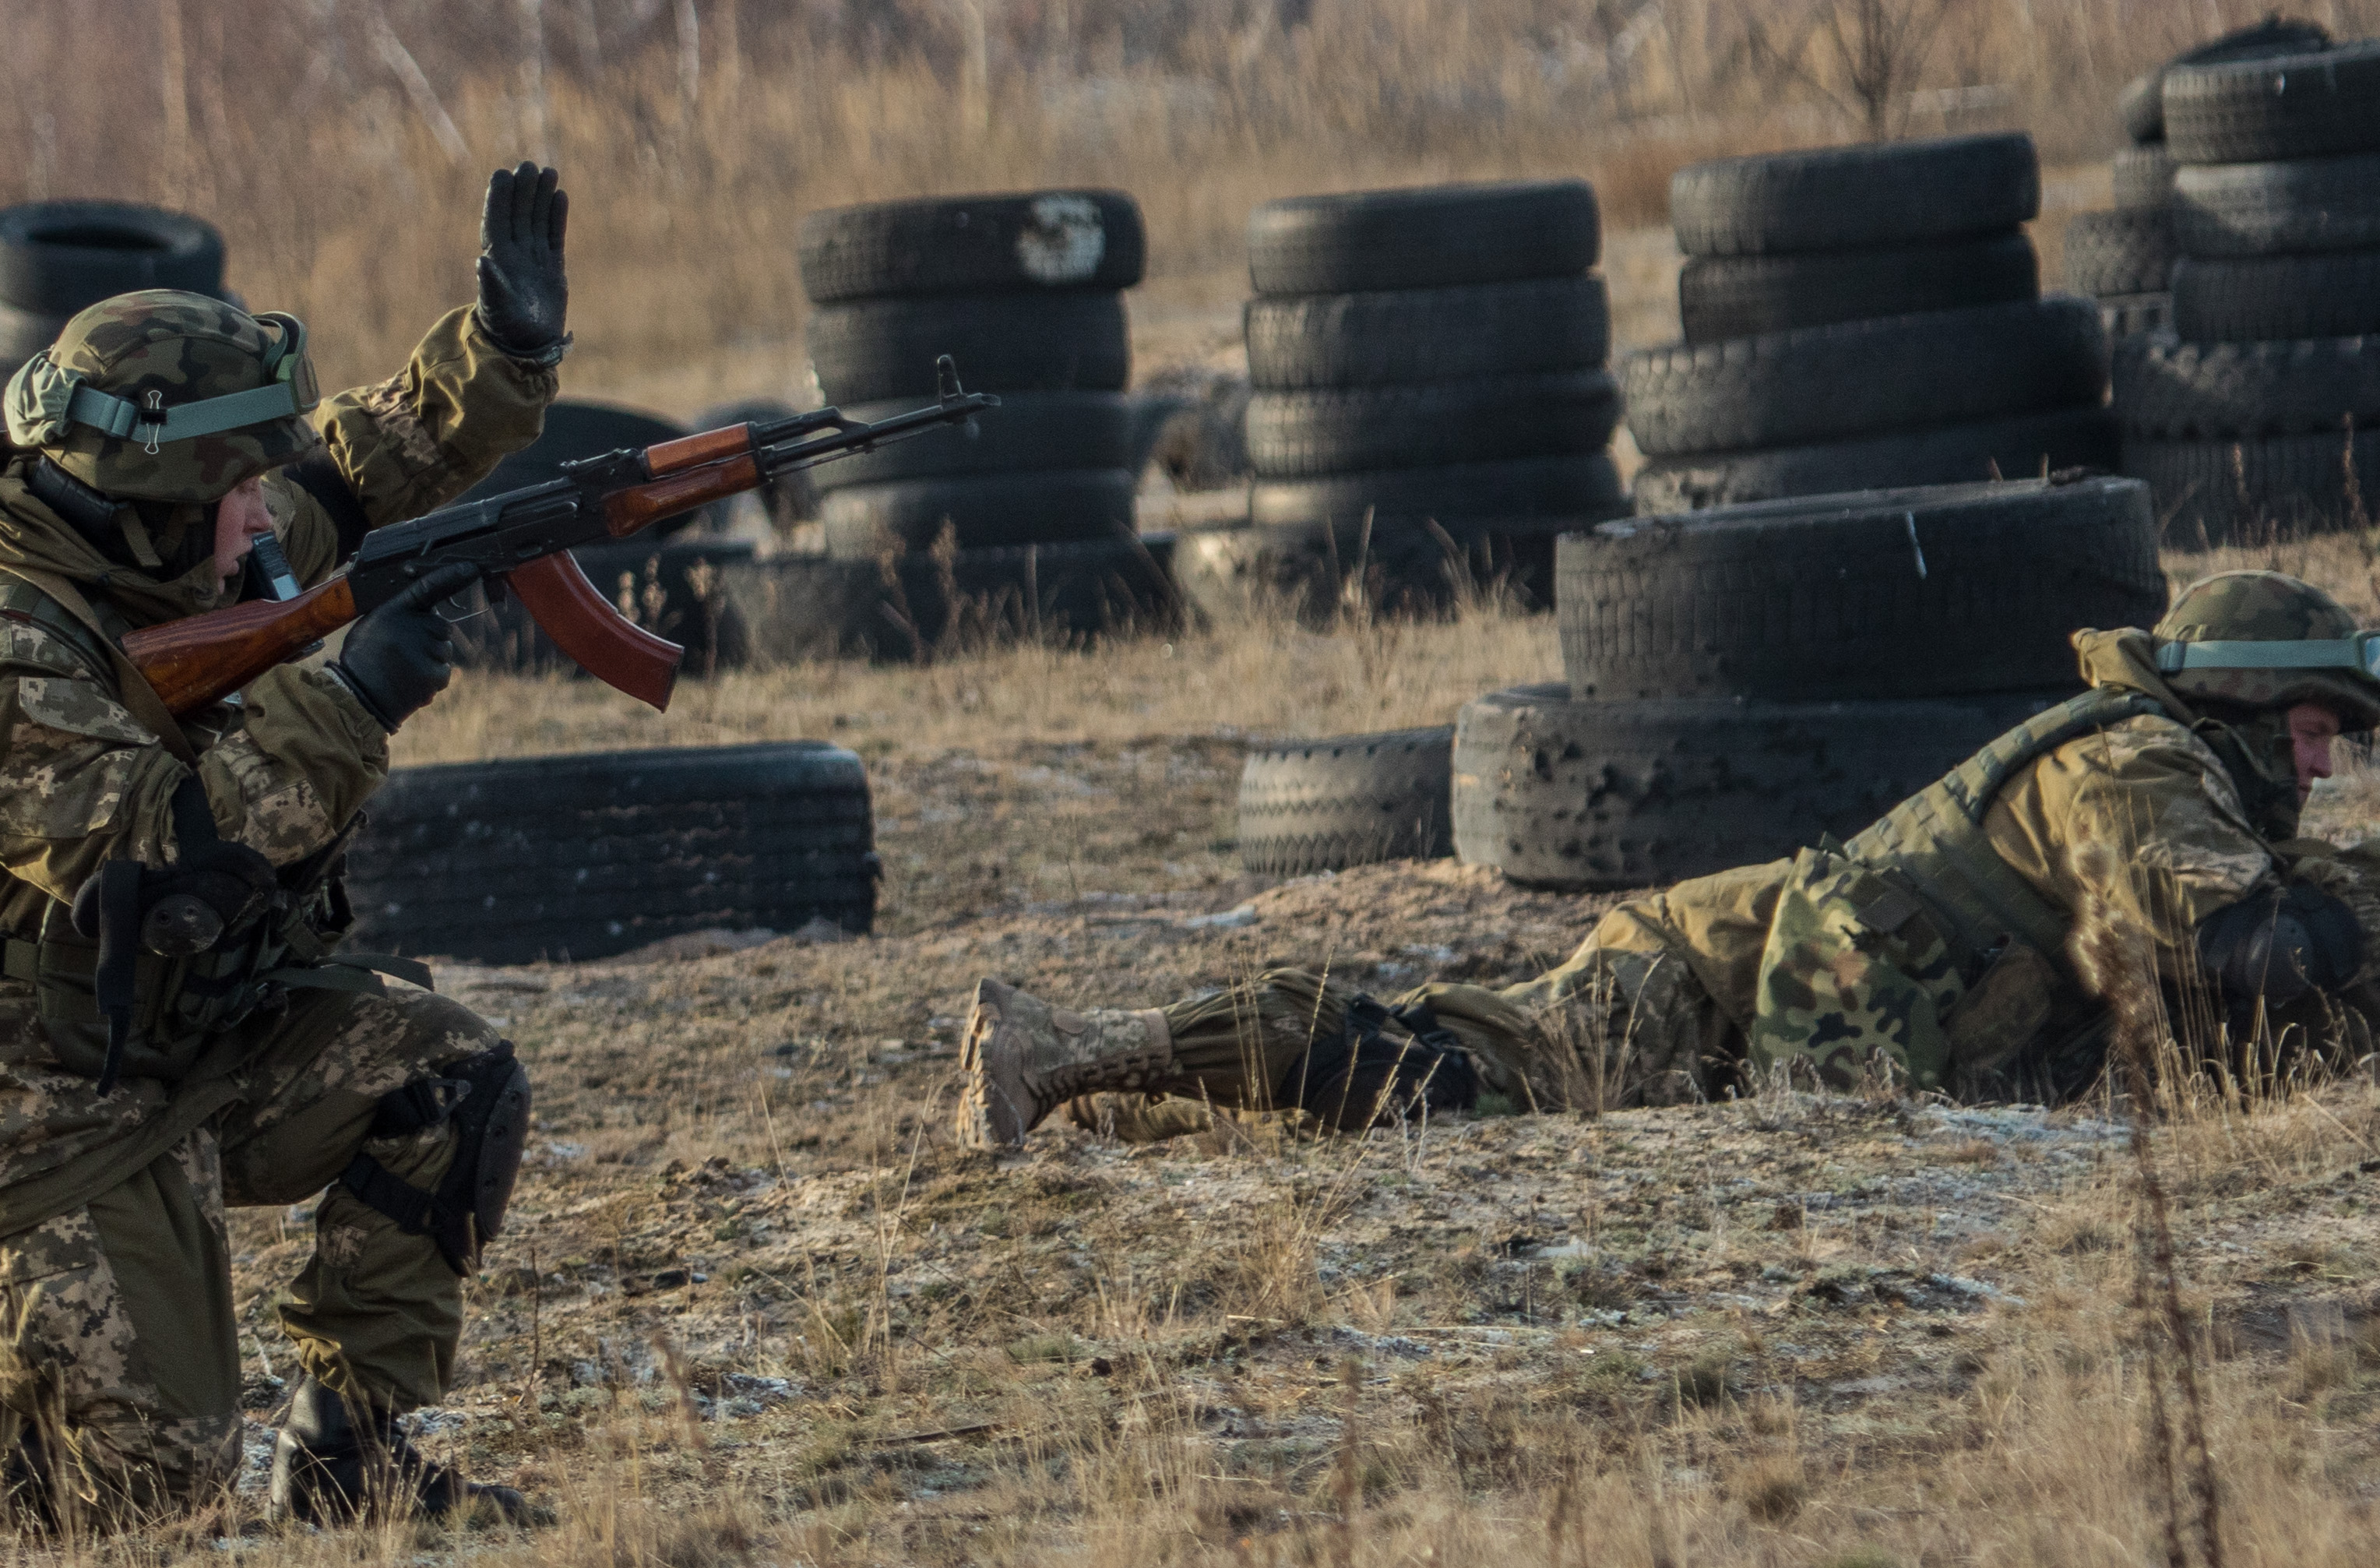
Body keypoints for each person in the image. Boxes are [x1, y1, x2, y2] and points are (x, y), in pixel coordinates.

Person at [0, 166, 576, 1568]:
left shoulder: (170, 546)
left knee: (445, 1076)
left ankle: (347, 1463)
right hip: (13, 1103)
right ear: (151, 497)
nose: (263, 516)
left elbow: (348, 469)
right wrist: (355, 700)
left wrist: (505, 356)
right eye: (233, 489)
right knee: (142, 1481)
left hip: (169, 1027)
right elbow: (164, 850)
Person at [956, 571, 2380, 1147]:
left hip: (1768, 1020)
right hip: (1701, 983)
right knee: (1443, 1080)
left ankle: (1140, 1109)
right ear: (2247, 702)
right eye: (2315, 729)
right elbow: (2231, 948)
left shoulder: (2178, 776)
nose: (2320, 766)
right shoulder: (2139, 757)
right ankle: (1069, 1047)